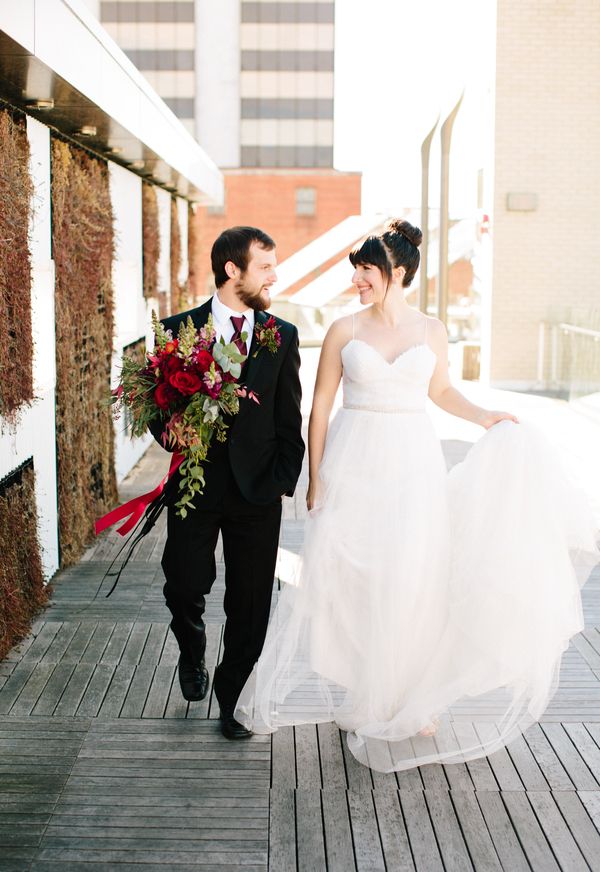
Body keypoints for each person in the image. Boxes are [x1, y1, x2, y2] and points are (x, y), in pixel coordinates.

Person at [234, 219, 598, 772]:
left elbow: (443, 391)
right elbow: (320, 407)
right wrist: (315, 477)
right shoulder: (343, 330)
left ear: (397, 273)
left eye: (367, 271)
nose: (358, 280)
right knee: (352, 576)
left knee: (413, 576)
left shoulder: (431, 331)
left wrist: (485, 418)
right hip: (354, 463)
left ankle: (409, 695)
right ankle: (365, 688)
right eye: (355, 271)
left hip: (413, 465)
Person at [149, 226, 304, 740]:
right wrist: (170, 432)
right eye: (264, 266)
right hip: (196, 486)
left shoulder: (281, 335)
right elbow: (156, 407)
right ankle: (191, 650)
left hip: (259, 491)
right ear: (231, 270)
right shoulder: (176, 330)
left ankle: (232, 695)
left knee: (251, 602)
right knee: (184, 584)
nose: (274, 276)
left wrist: (284, 477)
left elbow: (288, 415)